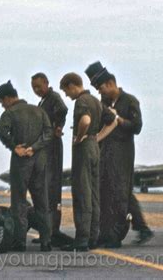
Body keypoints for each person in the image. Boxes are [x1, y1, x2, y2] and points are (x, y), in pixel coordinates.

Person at [85, 61, 154, 247]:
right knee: (106, 190)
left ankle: (118, 233)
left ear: (110, 83)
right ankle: (110, 232)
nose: (100, 93)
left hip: (122, 153)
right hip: (105, 152)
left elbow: (137, 127)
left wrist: (119, 120)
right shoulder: (104, 103)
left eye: (100, 88)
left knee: (121, 192)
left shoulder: (130, 101)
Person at [0, 80, 53, 252]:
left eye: (1, 102)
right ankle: (46, 241)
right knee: (42, 201)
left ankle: (20, 242)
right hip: (39, 161)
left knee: (19, 202)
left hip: (21, 163)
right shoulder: (39, 111)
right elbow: (48, 133)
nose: (2, 106)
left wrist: (15, 147)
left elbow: (1, 132)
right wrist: (34, 148)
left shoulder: (10, 113)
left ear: (7, 98)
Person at [59, 73, 116, 251]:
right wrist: (97, 137)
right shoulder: (96, 101)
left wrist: (80, 137)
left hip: (83, 148)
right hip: (94, 147)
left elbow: (85, 120)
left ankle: (82, 240)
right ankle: (92, 237)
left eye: (66, 91)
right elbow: (113, 119)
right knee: (94, 194)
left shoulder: (82, 101)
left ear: (72, 86)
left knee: (82, 192)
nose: (67, 96)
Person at [31, 72, 72, 247]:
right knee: (45, 189)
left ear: (47, 83)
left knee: (52, 188)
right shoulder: (44, 101)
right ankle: (46, 231)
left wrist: (58, 126)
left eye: (39, 86)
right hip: (46, 147)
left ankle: (53, 230)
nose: (36, 90)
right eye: (34, 88)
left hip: (53, 147)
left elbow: (63, 109)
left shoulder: (53, 97)